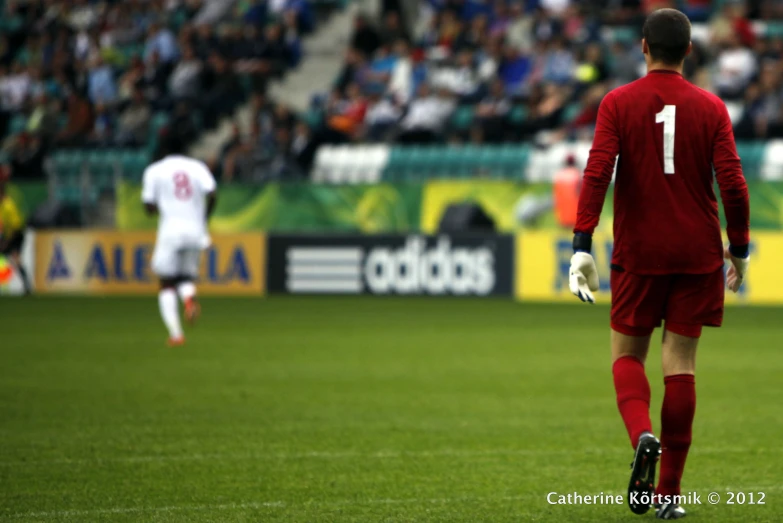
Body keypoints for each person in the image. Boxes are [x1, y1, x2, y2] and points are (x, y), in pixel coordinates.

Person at [567, 9, 750, 520]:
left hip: (639, 252)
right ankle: (668, 497)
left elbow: (598, 170)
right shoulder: (712, 108)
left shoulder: (617, 103)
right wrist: (739, 248)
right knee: (682, 366)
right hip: (696, 254)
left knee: (627, 356)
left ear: (644, 48)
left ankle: (641, 435)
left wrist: (581, 241)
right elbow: (733, 184)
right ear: (689, 51)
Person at [141, 135, 217, 347]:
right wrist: (203, 217)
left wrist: (161, 207)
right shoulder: (197, 167)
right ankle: (189, 299)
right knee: (185, 277)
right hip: (196, 231)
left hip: (171, 231)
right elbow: (212, 193)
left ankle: (176, 334)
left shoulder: (155, 170)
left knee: (166, 282)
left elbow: (148, 206)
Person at [0, 164, 31, 294]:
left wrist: (7, 242)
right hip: (10, 234)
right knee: (13, 258)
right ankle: (25, 284)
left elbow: (14, 226)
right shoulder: (3, 205)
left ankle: (26, 284)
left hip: (17, 234)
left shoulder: (8, 205)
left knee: (15, 257)